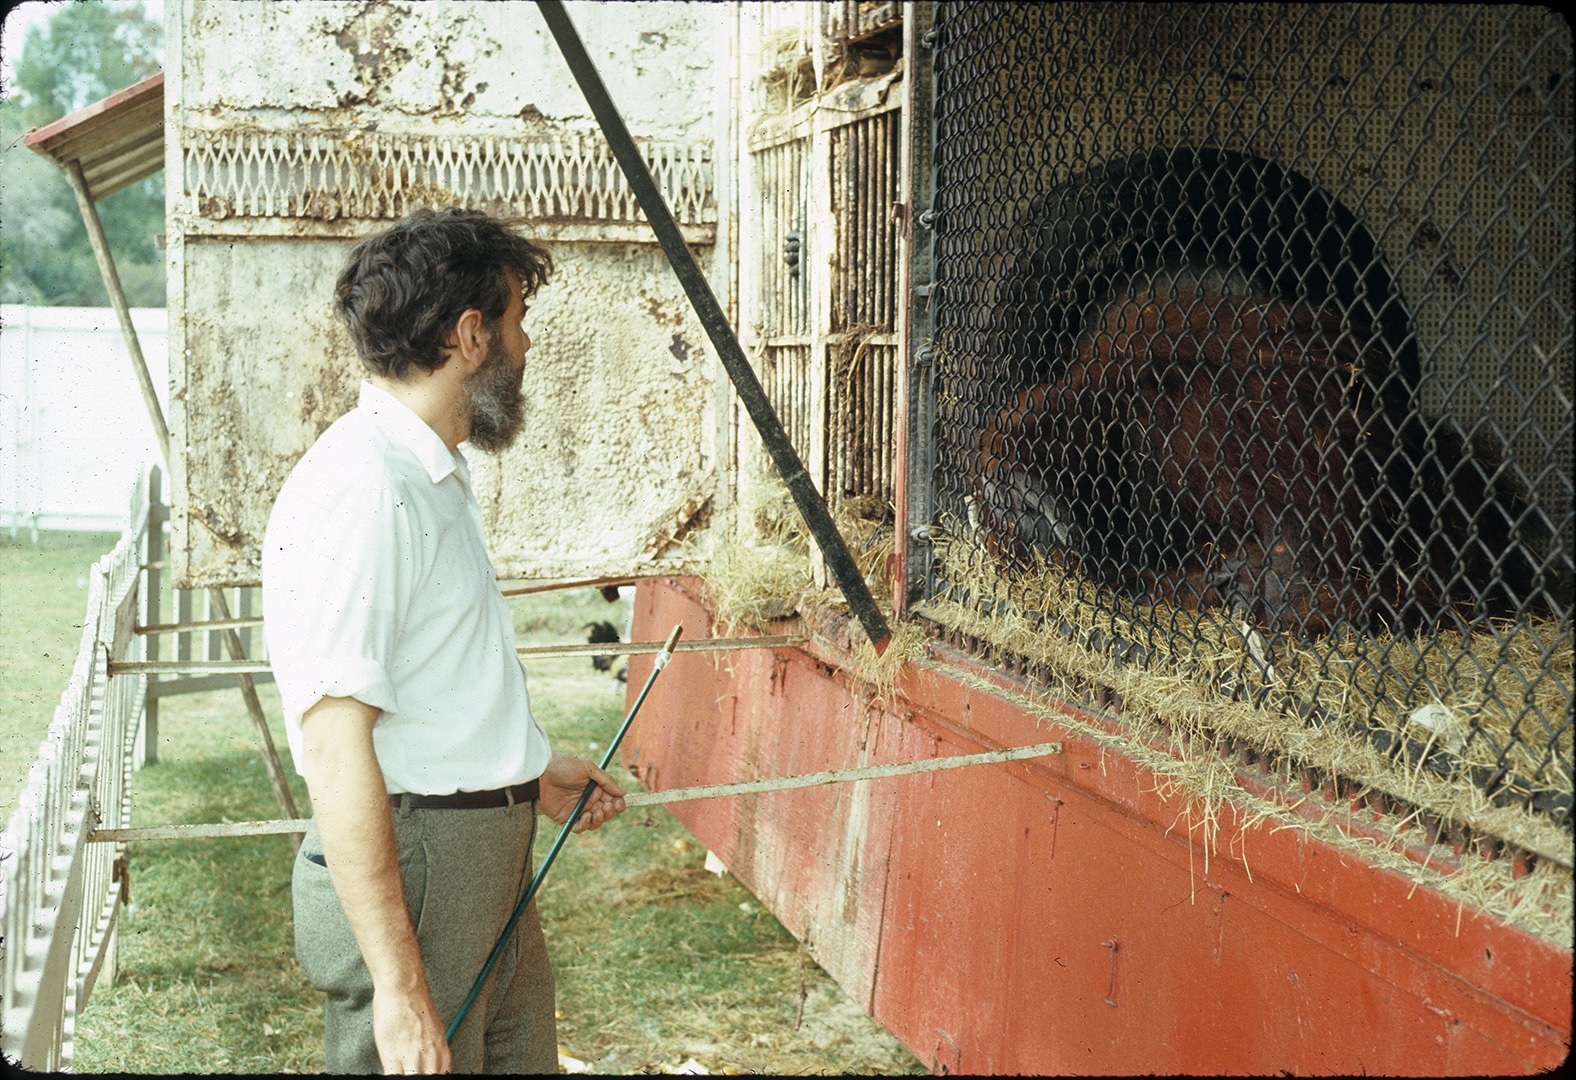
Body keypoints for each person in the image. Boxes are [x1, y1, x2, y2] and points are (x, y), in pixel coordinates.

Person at [261, 207, 627, 1075]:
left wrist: (528, 769)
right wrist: (398, 987)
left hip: (471, 863)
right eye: (515, 321)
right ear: (471, 336)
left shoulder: (428, 470)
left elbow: (429, 684)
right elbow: (335, 747)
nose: (525, 344)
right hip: (420, 873)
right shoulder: (365, 489)